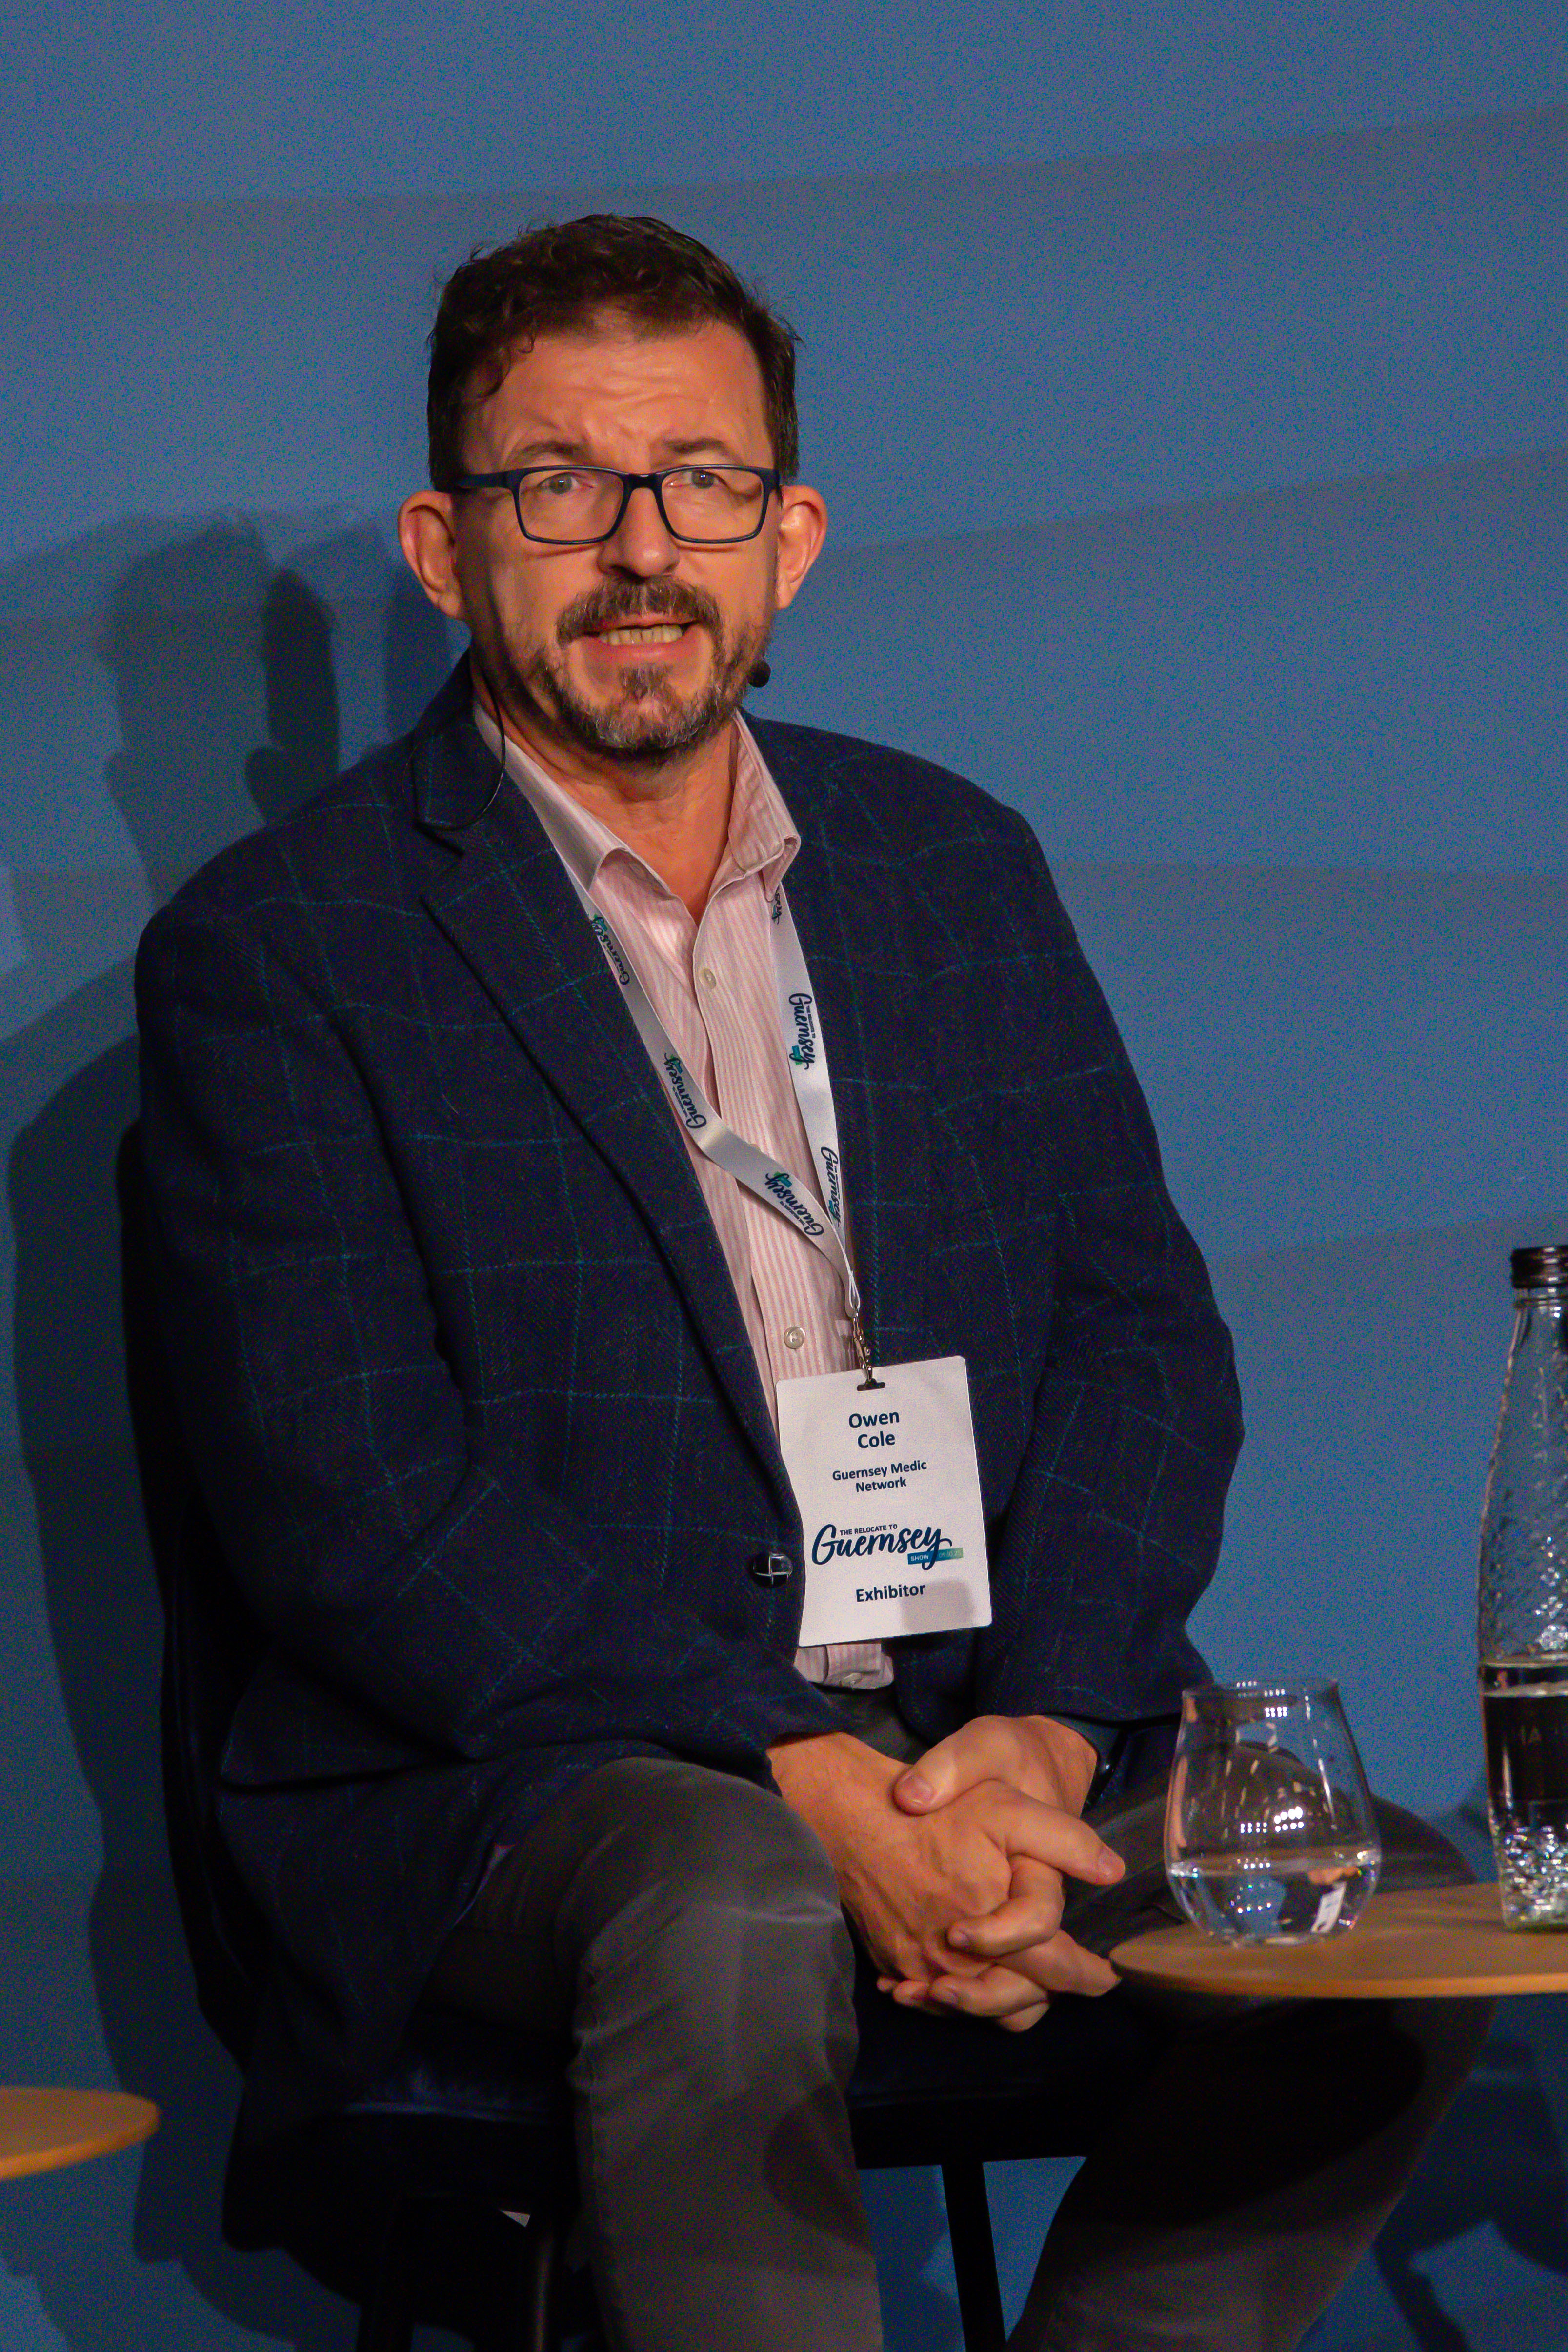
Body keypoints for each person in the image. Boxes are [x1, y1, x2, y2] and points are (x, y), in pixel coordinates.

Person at [136, 214, 1486, 2352]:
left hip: (975, 1721)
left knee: (1383, 1899)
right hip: (537, 1778)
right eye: (560, 486)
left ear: (792, 538)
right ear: (442, 548)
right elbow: (353, 1504)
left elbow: (1140, 1342)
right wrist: (804, 1770)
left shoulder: (952, 865)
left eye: (702, 483)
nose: (641, 550)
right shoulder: (286, 949)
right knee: (737, 1896)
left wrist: (1040, 1733)